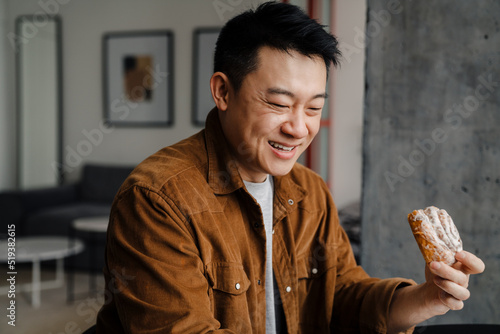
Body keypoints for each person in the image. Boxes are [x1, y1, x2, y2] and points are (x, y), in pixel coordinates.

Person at [96, 2, 485, 333]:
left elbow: (343, 292)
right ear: (223, 91)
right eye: (279, 104)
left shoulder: (310, 191)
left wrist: (427, 298)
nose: (299, 128)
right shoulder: (157, 198)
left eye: (314, 107)